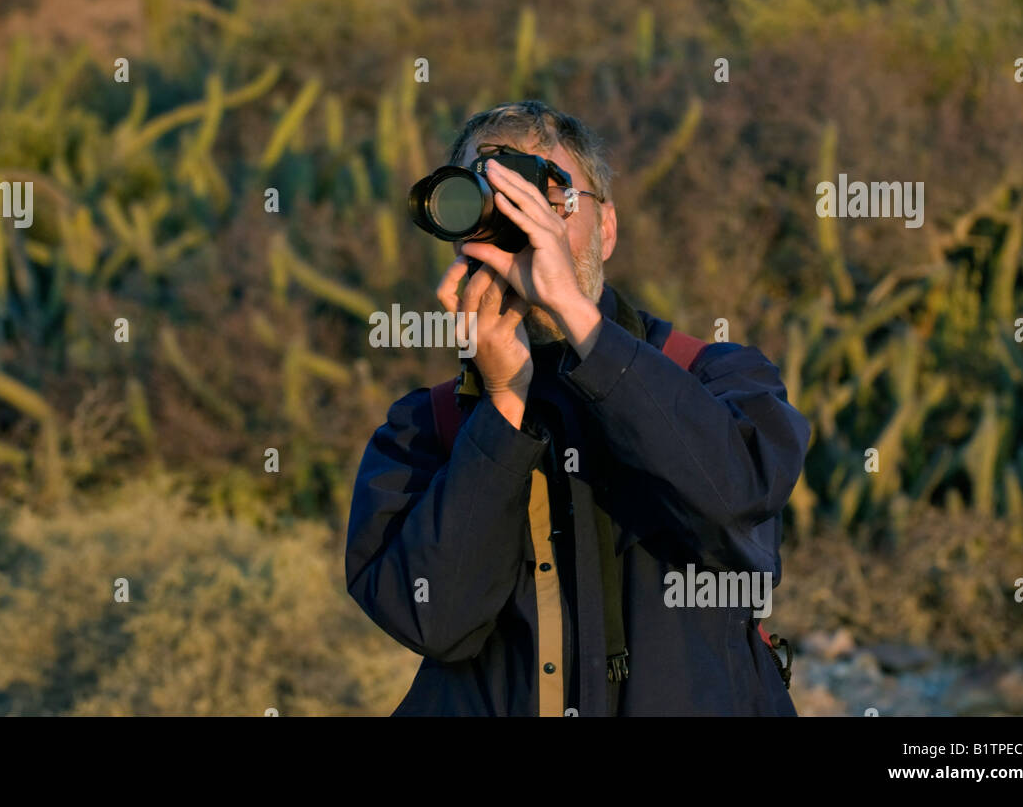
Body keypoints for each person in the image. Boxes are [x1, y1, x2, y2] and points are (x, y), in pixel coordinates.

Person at [345, 100, 811, 715]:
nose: (526, 226)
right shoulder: (426, 427)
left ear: (608, 229)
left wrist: (580, 321)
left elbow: (732, 502)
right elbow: (431, 621)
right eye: (491, 200)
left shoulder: (719, 377)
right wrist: (502, 406)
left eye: (550, 197)